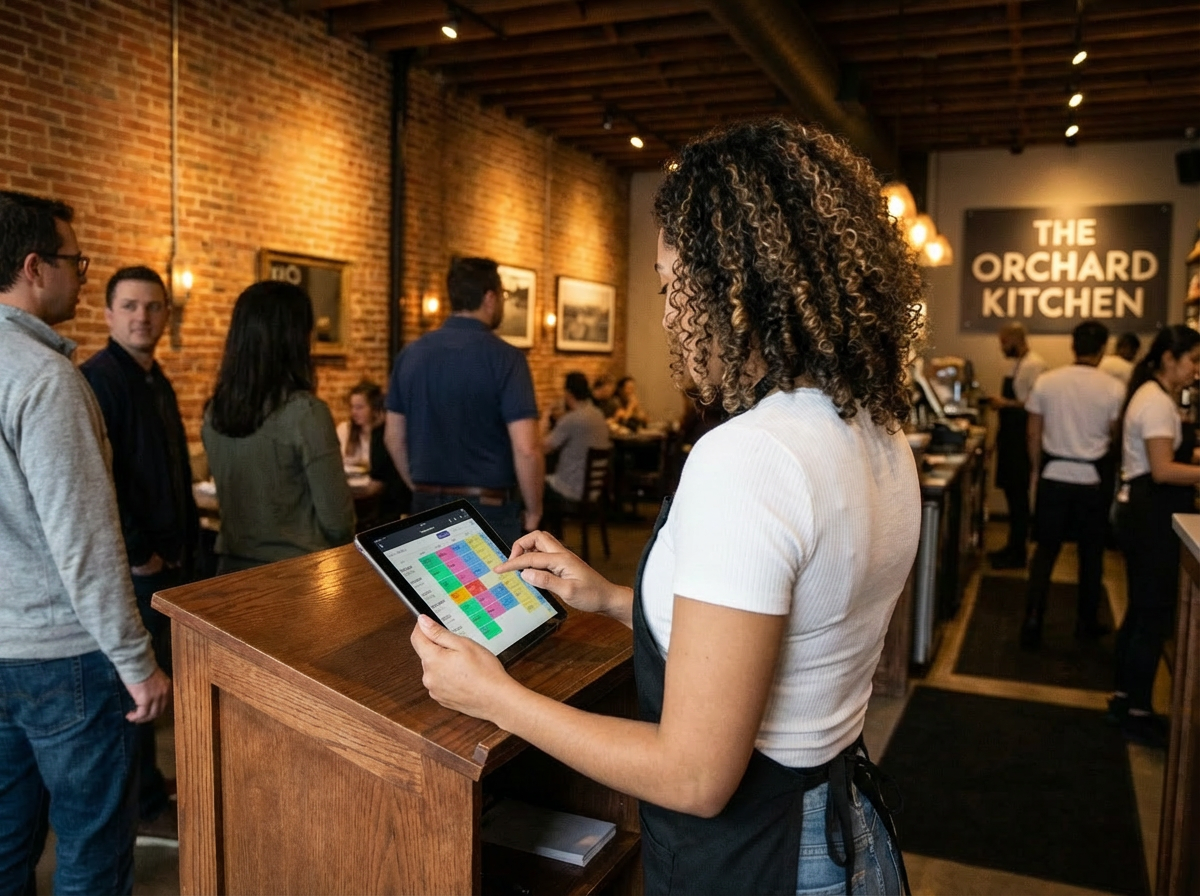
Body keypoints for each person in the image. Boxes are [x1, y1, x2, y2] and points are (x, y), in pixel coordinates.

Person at [410, 119, 923, 895]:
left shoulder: (751, 455)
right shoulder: (879, 434)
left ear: (732, 286)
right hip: (841, 827)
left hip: (762, 857)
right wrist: (615, 598)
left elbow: (693, 775)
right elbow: (794, 632)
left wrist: (497, 697)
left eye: (667, 286)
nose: (667, 316)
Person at [0, 190, 171, 895]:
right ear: (35, 268)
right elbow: (84, 542)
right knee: (94, 847)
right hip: (62, 653)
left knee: (6, 838)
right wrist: (139, 663)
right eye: (75, 260)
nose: (81, 272)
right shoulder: (46, 378)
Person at [80, 265, 199, 844]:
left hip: (167, 561)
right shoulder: (99, 378)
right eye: (129, 306)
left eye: (153, 307)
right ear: (107, 314)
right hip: (135, 568)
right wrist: (141, 554)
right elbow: (103, 481)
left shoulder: (155, 377)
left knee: (156, 689)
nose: (141, 317)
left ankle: (151, 788)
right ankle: (143, 808)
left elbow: (170, 469)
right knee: (136, 692)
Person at [384, 257, 542, 546]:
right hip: (489, 510)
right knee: (494, 591)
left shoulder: (411, 354)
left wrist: (421, 487)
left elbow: (393, 438)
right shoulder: (507, 358)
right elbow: (527, 448)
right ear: (490, 298)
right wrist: (534, 510)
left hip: (425, 505)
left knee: (430, 589)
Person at [202, 280, 355, 574]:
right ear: (295, 338)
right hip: (297, 574)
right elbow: (338, 522)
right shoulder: (306, 412)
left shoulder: (214, 410)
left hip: (230, 570)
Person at [1110, 324, 1200, 747]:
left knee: (1140, 610)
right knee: (1152, 614)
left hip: (1139, 509)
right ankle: (1139, 712)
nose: (1196, 371)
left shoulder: (1150, 395)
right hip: (1151, 513)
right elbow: (1163, 470)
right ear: (1169, 358)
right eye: (1193, 360)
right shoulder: (1157, 402)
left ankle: (1124, 696)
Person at [1019, 321, 1124, 650]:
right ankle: (1086, 621)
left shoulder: (1047, 382)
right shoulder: (1113, 388)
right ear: (1103, 348)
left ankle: (1033, 619)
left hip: (1054, 477)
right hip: (1091, 480)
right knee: (1091, 555)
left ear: (1072, 346)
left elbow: (1033, 433)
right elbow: (1115, 436)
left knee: (1045, 552)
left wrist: (1038, 468)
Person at [987, 322, 1047, 569]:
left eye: (1004, 342)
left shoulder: (1035, 365)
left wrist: (1004, 403)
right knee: (1013, 498)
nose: (1002, 348)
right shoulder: (1018, 365)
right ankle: (1012, 546)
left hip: (1021, 442)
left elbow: (1035, 405)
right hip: (1010, 439)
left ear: (1015, 339)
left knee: (1019, 500)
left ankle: (1018, 553)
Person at [542, 371, 612, 536]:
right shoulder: (597, 414)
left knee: (530, 488)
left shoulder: (572, 419)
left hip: (570, 489)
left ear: (567, 394)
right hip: (593, 490)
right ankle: (555, 540)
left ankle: (548, 542)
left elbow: (543, 448)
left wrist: (545, 415)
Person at [336, 380, 377, 469]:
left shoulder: (383, 433)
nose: (353, 412)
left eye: (359, 407)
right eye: (352, 407)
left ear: (373, 408)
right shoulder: (344, 429)